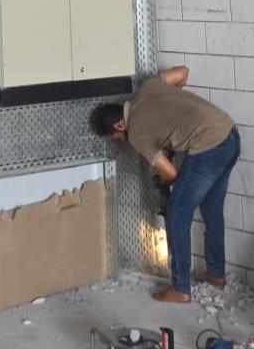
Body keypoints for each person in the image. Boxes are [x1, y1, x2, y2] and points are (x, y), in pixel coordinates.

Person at [90, 66, 240, 304]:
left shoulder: (137, 134)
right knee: (212, 210)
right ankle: (216, 274)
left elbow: (171, 173)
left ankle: (180, 288)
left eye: (117, 138)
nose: (122, 141)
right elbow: (183, 73)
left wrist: (165, 180)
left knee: (178, 213)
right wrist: (175, 111)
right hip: (229, 134)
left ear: (119, 125)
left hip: (207, 148)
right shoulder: (147, 87)